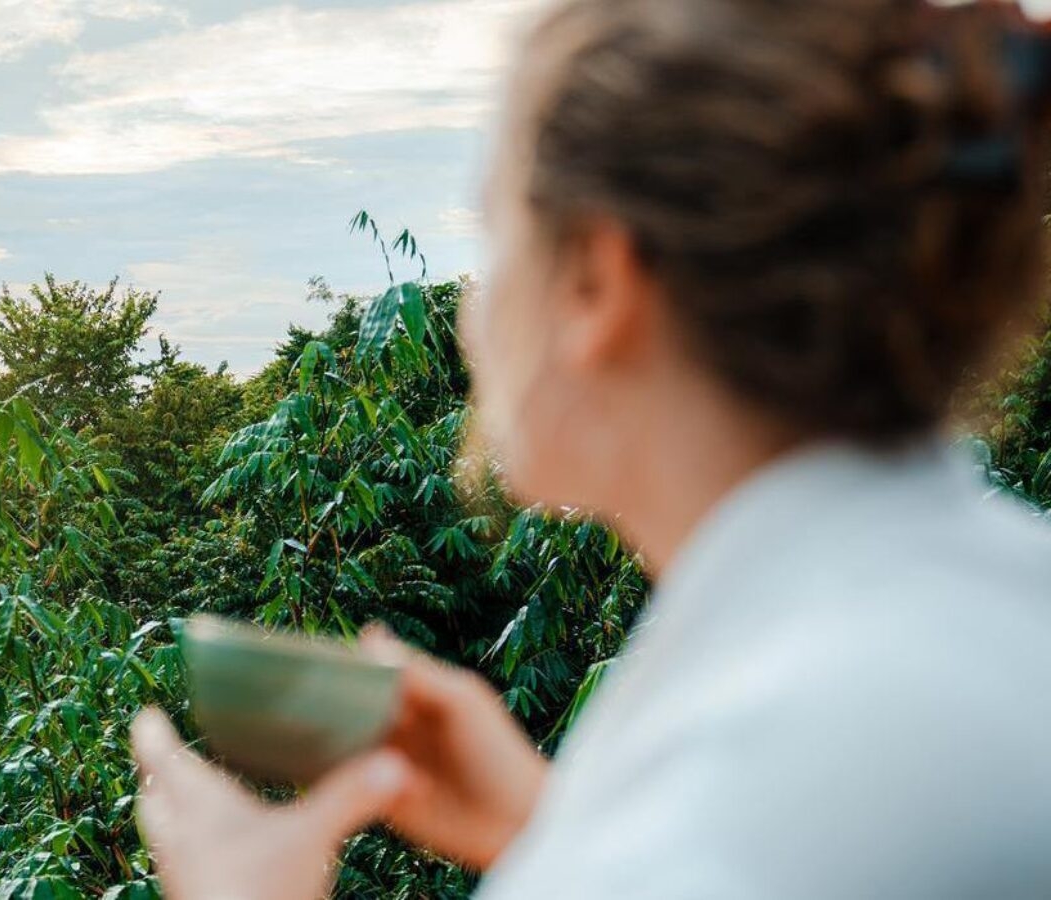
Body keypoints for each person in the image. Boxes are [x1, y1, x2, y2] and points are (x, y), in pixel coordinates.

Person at [129, 0, 1051, 896]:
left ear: (596, 282)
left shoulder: (763, 773)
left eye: (496, 238)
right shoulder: (965, 614)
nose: (465, 315)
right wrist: (549, 832)